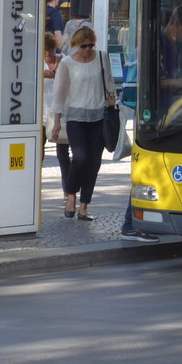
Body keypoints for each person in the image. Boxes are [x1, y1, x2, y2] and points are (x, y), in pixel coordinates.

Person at [50, 26, 116, 221]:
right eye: (83, 46)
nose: (87, 50)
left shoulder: (102, 58)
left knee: (94, 163)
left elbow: (109, 83)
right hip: (76, 119)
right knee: (80, 158)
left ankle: (84, 206)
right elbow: (59, 93)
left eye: (90, 45)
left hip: (99, 118)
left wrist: (113, 101)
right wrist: (56, 122)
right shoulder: (68, 63)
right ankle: (70, 195)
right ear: (75, 45)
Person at [42, 31, 70, 191]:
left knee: (63, 155)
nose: (47, 55)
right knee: (38, 154)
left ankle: (68, 191)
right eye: (43, 51)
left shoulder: (64, 62)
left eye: (49, 50)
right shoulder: (37, 65)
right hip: (42, 116)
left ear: (54, 48)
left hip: (60, 115)